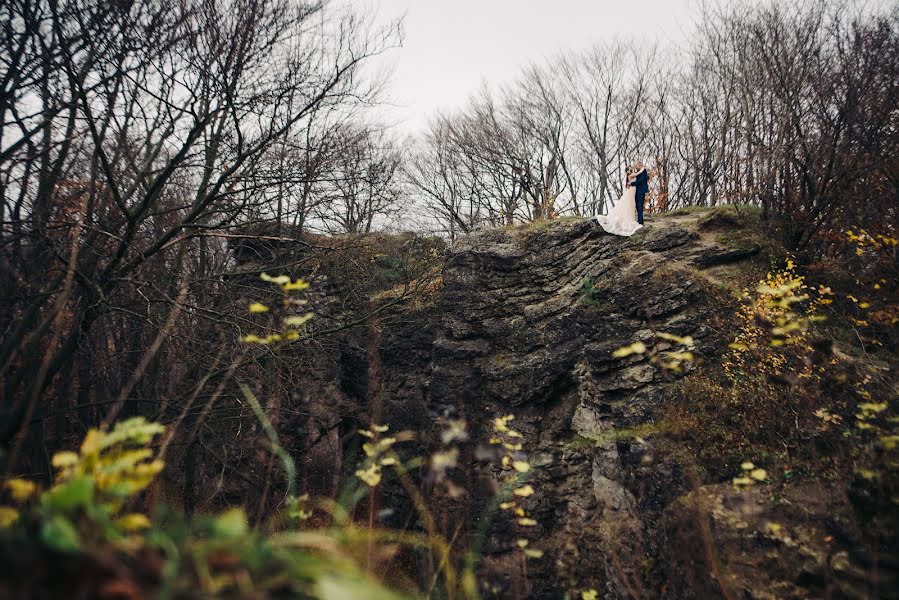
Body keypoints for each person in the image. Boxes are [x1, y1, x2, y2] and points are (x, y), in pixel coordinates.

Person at [592, 165, 642, 237]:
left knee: (631, 205)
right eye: (630, 168)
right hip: (632, 191)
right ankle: (629, 219)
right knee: (630, 205)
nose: (632, 169)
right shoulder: (631, 175)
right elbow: (638, 174)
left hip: (633, 191)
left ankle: (631, 218)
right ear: (629, 171)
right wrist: (642, 168)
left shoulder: (630, 175)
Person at [630, 160, 649, 225]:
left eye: (636, 165)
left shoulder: (644, 172)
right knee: (637, 206)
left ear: (640, 165)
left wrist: (632, 184)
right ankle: (639, 219)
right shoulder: (637, 172)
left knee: (640, 205)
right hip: (636, 191)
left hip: (641, 191)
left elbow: (640, 181)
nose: (635, 166)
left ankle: (640, 221)